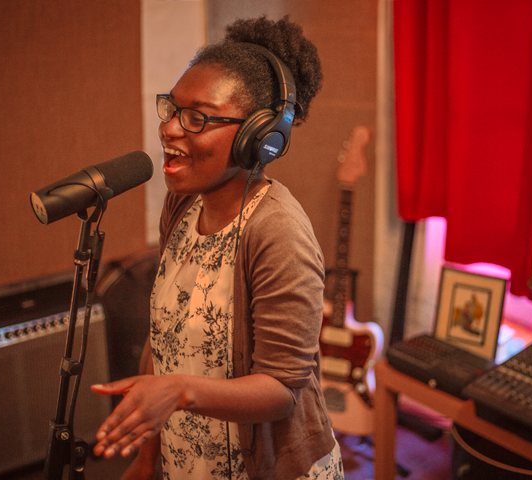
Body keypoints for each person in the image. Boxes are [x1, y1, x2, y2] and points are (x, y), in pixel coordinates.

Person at [90, 15, 343, 480]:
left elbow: (282, 389)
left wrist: (179, 392)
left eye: (198, 117)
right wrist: (148, 458)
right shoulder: (183, 204)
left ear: (259, 139)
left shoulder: (279, 233)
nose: (170, 129)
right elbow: (163, 338)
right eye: (172, 109)